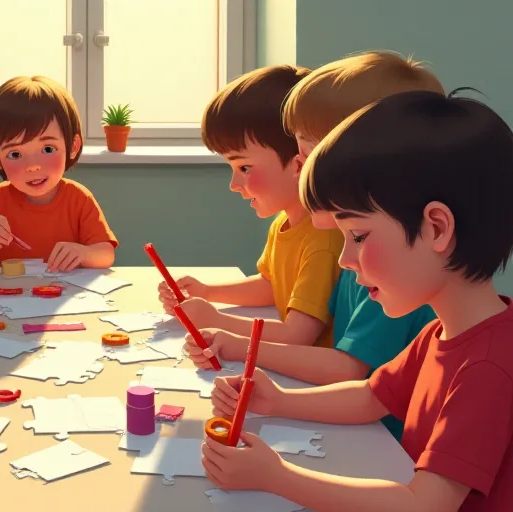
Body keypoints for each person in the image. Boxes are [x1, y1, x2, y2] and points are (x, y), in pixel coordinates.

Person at [203, 89, 513, 511]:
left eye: (359, 236)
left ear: (436, 228)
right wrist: (276, 400)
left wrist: (277, 477)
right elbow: (371, 397)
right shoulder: (440, 333)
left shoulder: (489, 366)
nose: (345, 260)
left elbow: (424, 505)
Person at [184, 51, 442, 441]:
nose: (301, 171)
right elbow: (369, 392)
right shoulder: (363, 255)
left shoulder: (393, 270)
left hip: (382, 445)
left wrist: (237, 344)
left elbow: (353, 373)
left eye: (309, 158)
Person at [163, 65, 342, 347]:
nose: (234, 184)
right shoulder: (285, 223)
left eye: (244, 167)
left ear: (300, 162)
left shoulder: (323, 238)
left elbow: (296, 336)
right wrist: (207, 292)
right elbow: (272, 287)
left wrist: (216, 320)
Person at [0, 75, 118, 273]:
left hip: (64, 298)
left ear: (72, 146)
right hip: (9, 298)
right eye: (15, 154)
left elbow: (106, 254)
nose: (33, 166)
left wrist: (83, 253)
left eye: (48, 149)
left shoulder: (79, 198)